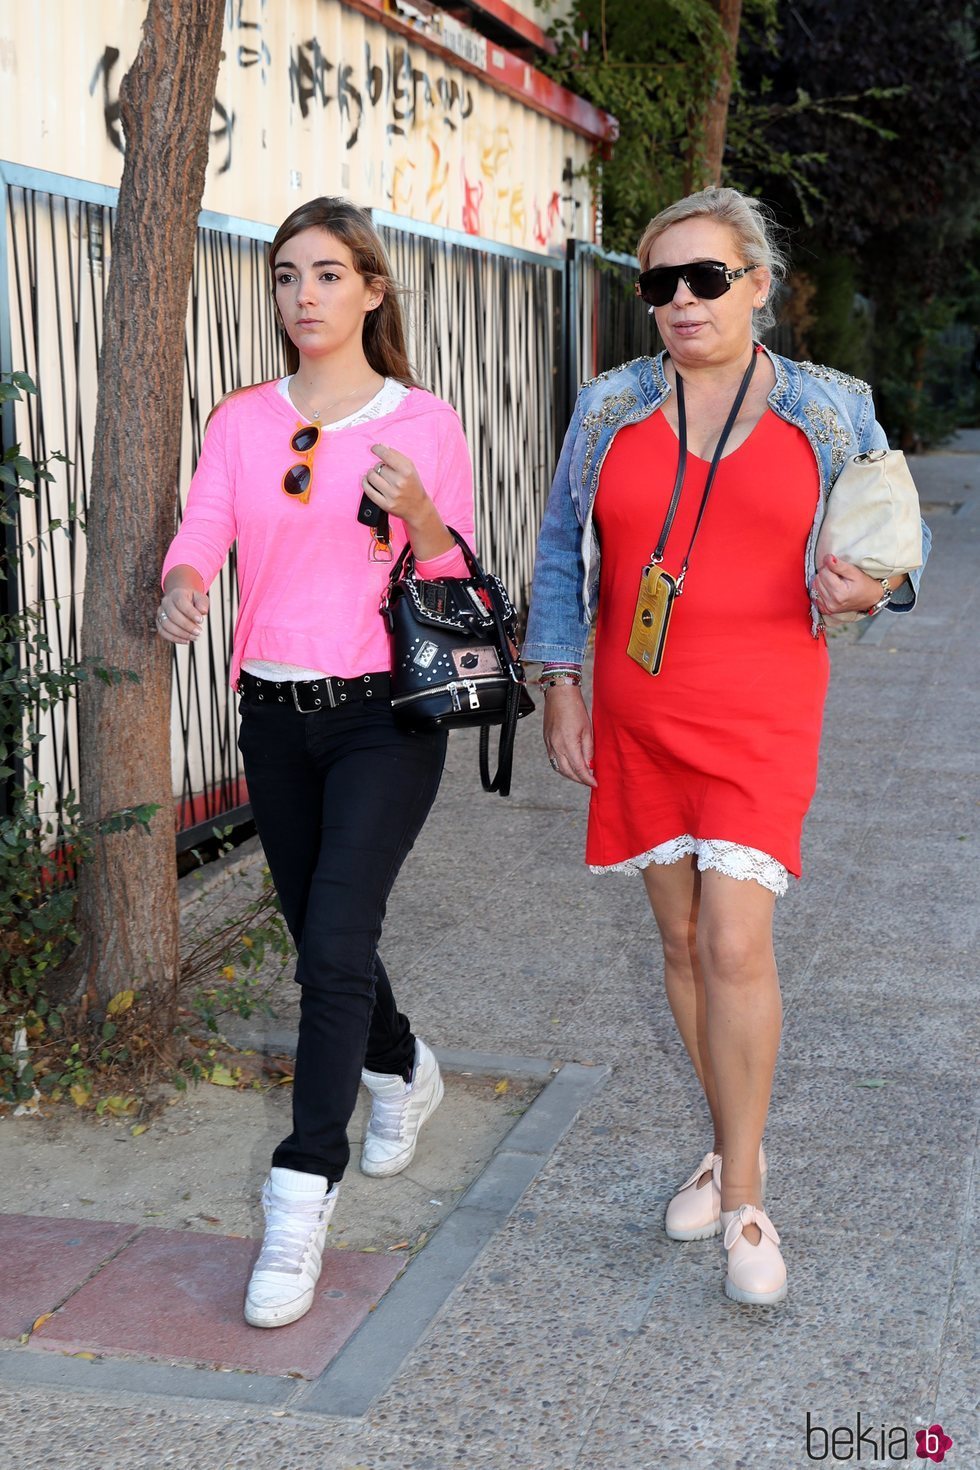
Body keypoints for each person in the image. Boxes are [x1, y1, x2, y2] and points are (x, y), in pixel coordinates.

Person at [523, 186, 930, 1306]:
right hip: (635, 707)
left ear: (758, 284)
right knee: (679, 940)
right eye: (659, 283)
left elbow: (901, 534)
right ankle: (721, 1138)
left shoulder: (827, 405)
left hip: (761, 707)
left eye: (706, 278)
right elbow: (562, 547)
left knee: (735, 946)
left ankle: (744, 1192)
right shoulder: (609, 406)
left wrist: (873, 584)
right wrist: (556, 683)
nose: (681, 302)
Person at [157, 197, 475, 1328]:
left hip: (384, 720)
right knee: (321, 932)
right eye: (288, 274)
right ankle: (402, 1068)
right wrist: (186, 581)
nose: (304, 295)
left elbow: (451, 575)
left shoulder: (424, 421)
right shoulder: (241, 419)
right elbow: (205, 525)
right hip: (273, 715)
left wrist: (426, 516)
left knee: (333, 943)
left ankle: (299, 1199)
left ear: (372, 291)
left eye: (329, 274)